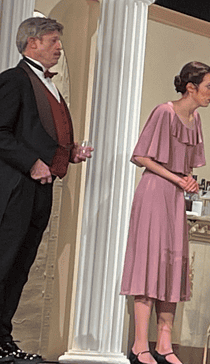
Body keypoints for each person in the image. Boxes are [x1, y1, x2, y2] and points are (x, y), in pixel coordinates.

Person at [0, 17, 92, 363]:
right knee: (4, 263)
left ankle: (3, 340)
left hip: (40, 189)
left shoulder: (48, 85)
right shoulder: (13, 80)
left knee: (20, 267)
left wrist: (69, 154)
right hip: (15, 188)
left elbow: (39, 133)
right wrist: (31, 162)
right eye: (53, 40)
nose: (59, 47)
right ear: (32, 42)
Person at [120, 61, 210, 364]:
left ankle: (164, 343)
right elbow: (140, 155)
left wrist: (187, 180)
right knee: (149, 265)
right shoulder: (165, 112)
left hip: (175, 197)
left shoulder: (195, 119)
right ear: (191, 87)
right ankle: (139, 344)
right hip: (154, 193)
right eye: (209, 86)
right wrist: (177, 178)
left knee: (173, 265)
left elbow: (188, 165)